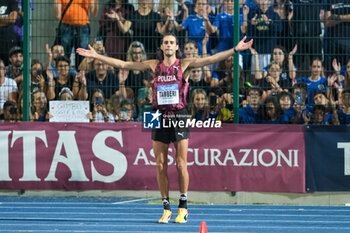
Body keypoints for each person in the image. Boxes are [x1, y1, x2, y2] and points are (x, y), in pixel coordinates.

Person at [77, 33, 253, 223]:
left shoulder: (184, 65)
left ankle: (183, 206)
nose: (168, 45)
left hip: (179, 114)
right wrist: (97, 56)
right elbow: (124, 65)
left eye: (171, 42)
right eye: (165, 42)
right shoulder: (154, 65)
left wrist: (235, 50)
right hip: (157, 114)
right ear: (162, 47)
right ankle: (166, 207)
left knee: (180, 163)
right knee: (160, 164)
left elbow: (210, 59)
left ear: (176, 47)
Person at [53, 0, 99, 68]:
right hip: (67, 26)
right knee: (64, 56)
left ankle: (80, 76)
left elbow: (93, 14)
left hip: (82, 27)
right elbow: (57, 15)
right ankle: (64, 76)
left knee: (82, 55)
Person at [0, 1, 17, 66]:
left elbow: (12, 19)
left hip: (7, 39)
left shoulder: (11, 2)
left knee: (7, 65)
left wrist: (9, 19)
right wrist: (7, 20)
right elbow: (10, 19)